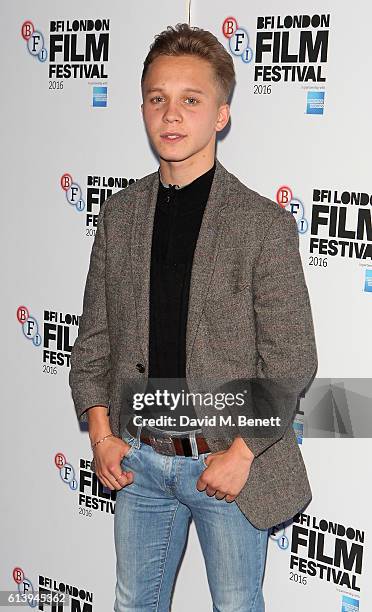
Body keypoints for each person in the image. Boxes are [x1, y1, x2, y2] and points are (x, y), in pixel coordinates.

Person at [69, 23, 318, 612]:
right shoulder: (120, 216)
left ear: (221, 115)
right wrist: (102, 435)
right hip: (139, 463)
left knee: (236, 605)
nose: (172, 114)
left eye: (191, 99)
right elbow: (94, 341)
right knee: (134, 603)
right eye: (158, 98)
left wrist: (240, 454)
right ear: (143, 109)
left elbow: (291, 359)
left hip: (227, 464)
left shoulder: (262, 225)